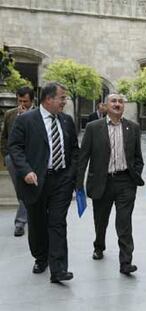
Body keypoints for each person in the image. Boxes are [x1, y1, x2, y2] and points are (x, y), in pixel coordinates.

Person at [8, 82, 79, 283]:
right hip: (36, 180)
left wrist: (71, 173)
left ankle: (59, 269)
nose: (64, 102)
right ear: (49, 99)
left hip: (61, 180)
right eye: (62, 98)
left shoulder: (66, 121)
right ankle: (41, 257)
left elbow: (74, 149)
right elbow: (15, 147)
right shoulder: (26, 120)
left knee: (57, 222)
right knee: (38, 222)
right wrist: (26, 171)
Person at [76, 93, 144, 275]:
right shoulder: (93, 127)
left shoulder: (133, 128)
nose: (117, 104)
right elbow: (83, 158)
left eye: (121, 102)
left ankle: (126, 262)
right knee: (101, 220)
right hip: (102, 181)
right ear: (106, 105)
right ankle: (99, 245)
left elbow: (138, 157)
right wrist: (78, 184)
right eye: (113, 101)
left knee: (124, 222)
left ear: (124, 106)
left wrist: (135, 174)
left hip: (125, 182)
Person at [1, 86, 34, 237]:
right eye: (20, 100)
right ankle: (29, 215)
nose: (22, 103)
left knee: (26, 189)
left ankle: (20, 222)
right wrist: (6, 155)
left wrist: (28, 117)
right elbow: (4, 137)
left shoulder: (38, 114)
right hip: (13, 159)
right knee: (21, 191)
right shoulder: (10, 114)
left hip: (31, 159)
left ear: (32, 100)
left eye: (25, 101)